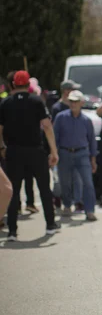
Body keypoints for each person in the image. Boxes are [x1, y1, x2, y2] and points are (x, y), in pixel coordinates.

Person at [0, 70, 59, 241]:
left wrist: (2, 147)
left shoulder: (5, 103)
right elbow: (47, 126)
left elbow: (0, 129)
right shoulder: (36, 101)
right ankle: (50, 224)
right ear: (28, 85)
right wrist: (53, 151)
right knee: (44, 189)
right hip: (35, 151)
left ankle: (12, 230)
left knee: (14, 191)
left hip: (13, 152)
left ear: (13, 85)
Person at [53, 90, 97, 221]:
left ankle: (89, 210)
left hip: (82, 153)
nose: (73, 104)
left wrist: (93, 160)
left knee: (88, 183)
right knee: (65, 182)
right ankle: (67, 205)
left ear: (81, 103)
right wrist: (54, 153)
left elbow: (92, 140)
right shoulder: (61, 117)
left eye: (76, 101)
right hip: (64, 153)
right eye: (71, 101)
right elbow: (55, 137)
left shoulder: (86, 120)